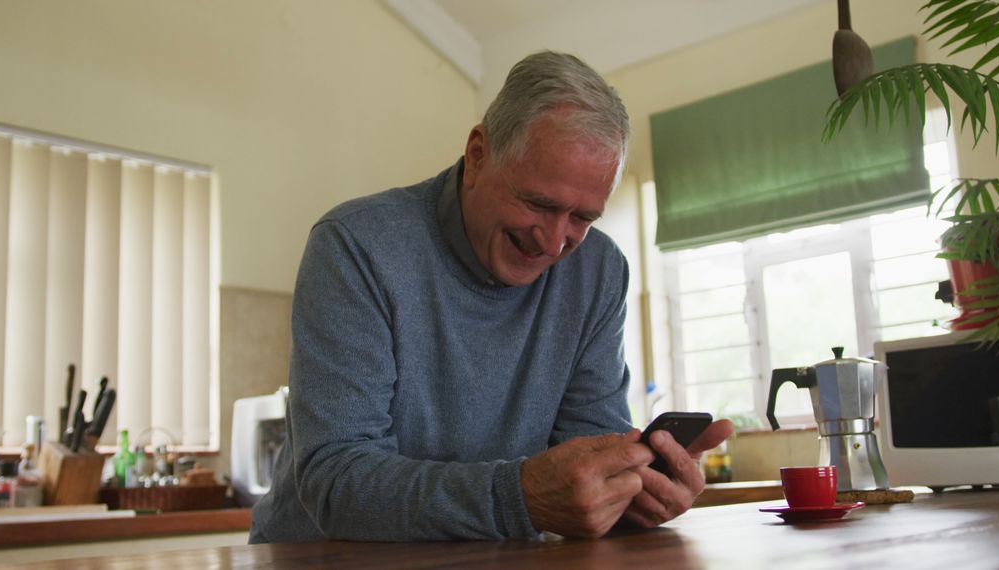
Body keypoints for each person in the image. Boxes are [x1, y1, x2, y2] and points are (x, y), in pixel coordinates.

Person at [249, 50, 733, 543]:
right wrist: (518, 497)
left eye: (583, 218)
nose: (552, 243)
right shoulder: (356, 245)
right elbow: (336, 482)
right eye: (538, 204)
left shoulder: (599, 271)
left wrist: (632, 493)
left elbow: (589, 458)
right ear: (478, 155)